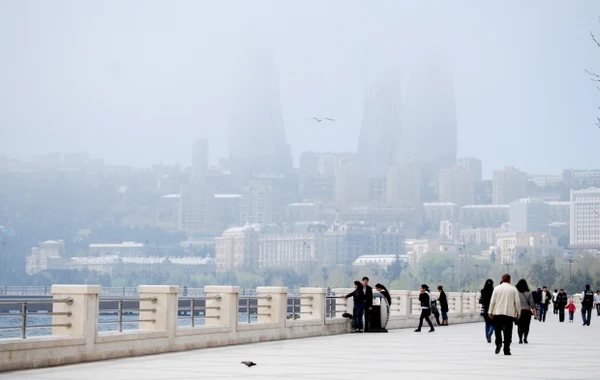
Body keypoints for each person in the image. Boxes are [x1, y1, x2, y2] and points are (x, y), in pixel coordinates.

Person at [489, 274, 521, 355]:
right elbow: (517, 302)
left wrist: (490, 311)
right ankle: (506, 349)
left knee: (497, 330)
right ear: (510, 280)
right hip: (509, 314)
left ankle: (498, 342)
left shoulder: (496, 288)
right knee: (508, 332)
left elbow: (492, 301)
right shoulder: (513, 289)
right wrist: (518, 312)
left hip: (497, 313)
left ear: (502, 280)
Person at [515, 279, 534, 344]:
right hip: (527, 312)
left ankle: (520, 339)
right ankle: (525, 338)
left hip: (519, 311)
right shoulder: (529, 293)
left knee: (519, 326)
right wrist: (534, 311)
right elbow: (532, 303)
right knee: (526, 326)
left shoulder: (516, 293)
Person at [479, 279, 495, 343]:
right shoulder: (494, 291)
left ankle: (487, 337)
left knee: (487, 324)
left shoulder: (482, 291)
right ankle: (490, 332)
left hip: (484, 310)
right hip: (492, 310)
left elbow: (480, 301)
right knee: (493, 323)